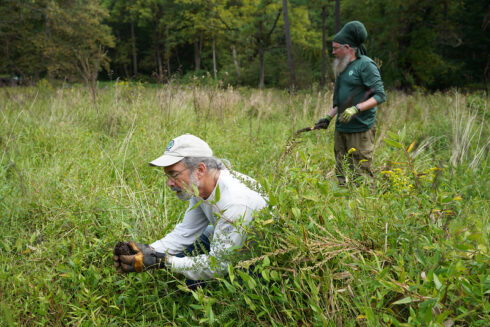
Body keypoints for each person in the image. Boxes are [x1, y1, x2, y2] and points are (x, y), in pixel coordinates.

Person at [113, 134, 267, 288]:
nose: (169, 183)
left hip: (256, 254)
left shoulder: (234, 203)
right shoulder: (200, 187)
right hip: (226, 237)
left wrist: (161, 261)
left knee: (200, 283)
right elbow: (186, 232)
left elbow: (218, 265)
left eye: (174, 175)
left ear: (200, 169)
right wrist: (147, 250)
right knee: (183, 261)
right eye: (167, 176)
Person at [314, 21, 386, 185]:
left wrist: (356, 109)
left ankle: (364, 208)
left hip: (359, 130)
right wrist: (328, 117)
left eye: (335, 48)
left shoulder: (366, 65)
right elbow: (342, 101)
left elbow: (380, 96)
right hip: (341, 128)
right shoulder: (343, 66)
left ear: (347, 47)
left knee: (360, 176)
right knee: (342, 174)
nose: (332, 52)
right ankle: (343, 206)